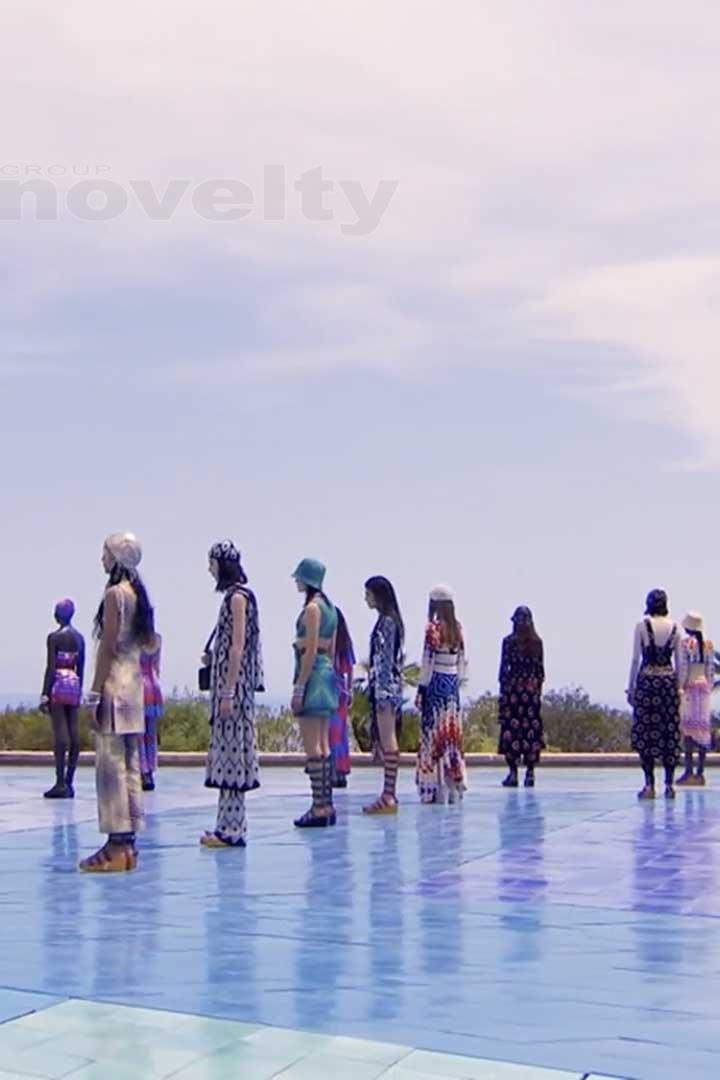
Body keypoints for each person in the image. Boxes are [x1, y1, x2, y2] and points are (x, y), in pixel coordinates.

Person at [80, 532, 154, 872]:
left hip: (115, 686)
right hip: (134, 686)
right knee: (131, 764)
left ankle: (115, 845)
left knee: (110, 767)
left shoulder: (115, 595)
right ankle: (129, 844)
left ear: (117, 558)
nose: (102, 559)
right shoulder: (139, 596)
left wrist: (94, 693)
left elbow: (107, 646)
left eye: (106, 553)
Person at [202, 540, 264, 848]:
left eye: (212, 563)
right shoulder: (236, 597)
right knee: (227, 757)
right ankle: (226, 824)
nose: (210, 569)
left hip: (233, 691)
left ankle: (233, 828)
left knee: (232, 756)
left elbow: (238, 645)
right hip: (232, 687)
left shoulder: (237, 599)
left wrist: (227, 691)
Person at [291, 558, 339, 827]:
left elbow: (309, 650)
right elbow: (330, 648)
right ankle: (326, 804)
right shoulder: (331, 608)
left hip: (312, 674)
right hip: (327, 673)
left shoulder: (312, 608)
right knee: (323, 744)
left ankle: (318, 806)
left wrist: (300, 686)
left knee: (312, 746)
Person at [627, 588, 683, 800]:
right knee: (668, 733)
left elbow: (635, 659)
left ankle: (649, 784)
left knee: (646, 733)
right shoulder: (676, 628)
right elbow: (680, 663)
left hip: (647, 683)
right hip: (667, 684)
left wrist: (631, 687)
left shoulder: (642, 626)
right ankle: (669, 784)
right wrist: (679, 688)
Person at [416, 585, 467, 804]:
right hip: (452, 685)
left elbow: (427, 662)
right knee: (451, 736)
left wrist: (421, 688)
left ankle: (433, 788)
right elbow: (462, 661)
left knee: (433, 735)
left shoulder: (433, 629)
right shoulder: (457, 628)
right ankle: (454, 784)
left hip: (436, 683)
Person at [362, 575, 405, 814]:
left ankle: (388, 794)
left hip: (385, 689)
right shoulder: (386, 621)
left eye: (368, 594)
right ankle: (389, 793)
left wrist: (382, 691)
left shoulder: (387, 623)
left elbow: (386, 658)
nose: (366, 599)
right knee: (387, 740)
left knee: (388, 740)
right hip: (384, 687)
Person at [39, 599, 85, 799]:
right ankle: (69, 781)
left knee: (60, 736)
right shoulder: (80, 638)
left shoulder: (54, 637)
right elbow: (80, 667)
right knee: (74, 735)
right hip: (73, 684)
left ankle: (59, 783)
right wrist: (79, 690)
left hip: (58, 684)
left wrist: (45, 693)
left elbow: (51, 667)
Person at [497, 607, 546, 788]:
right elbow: (540, 671)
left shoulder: (508, 642)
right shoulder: (537, 643)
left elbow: (503, 669)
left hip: (513, 692)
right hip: (531, 693)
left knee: (512, 732)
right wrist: (537, 691)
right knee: (530, 732)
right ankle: (530, 772)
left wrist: (503, 691)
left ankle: (513, 773)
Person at [676, 612, 714, 787]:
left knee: (688, 731)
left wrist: (680, 686)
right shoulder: (708, 644)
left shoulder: (686, 644)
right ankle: (700, 772)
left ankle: (689, 772)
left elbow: (683, 667)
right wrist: (708, 687)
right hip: (704, 686)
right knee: (702, 731)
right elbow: (710, 670)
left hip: (690, 687)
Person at [329, 608, 355, 788]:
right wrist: (350, 689)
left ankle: (332, 770)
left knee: (330, 732)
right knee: (340, 733)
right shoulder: (344, 642)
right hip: (341, 688)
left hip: (330, 687)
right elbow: (350, 667)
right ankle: (340, 771)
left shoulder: (327, 641)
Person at [139, 633, 163, 791]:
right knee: (151, 733)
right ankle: (150, 770)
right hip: (154, 686)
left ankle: (142, 770)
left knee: (139, 734)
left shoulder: (135, 639)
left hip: (139, 685)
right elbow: (157, 667)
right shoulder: (157, 639)